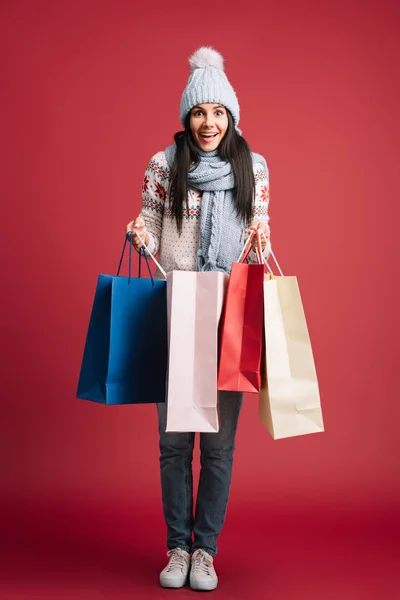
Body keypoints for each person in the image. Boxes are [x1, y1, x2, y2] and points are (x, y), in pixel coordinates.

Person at [125, 46, 271, 592]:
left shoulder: (252, 167)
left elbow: (262, 230)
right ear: (186, 117)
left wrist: (260, 237)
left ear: (231, 116)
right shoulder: (165, 165)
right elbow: (148, 219)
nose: (208, 123)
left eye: (218, 112)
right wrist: (138, 231)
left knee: (218, 445)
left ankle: (206, 549)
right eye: (198, 112)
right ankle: (177, 547)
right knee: (172, 443)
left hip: (228, 311)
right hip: (177, 304)